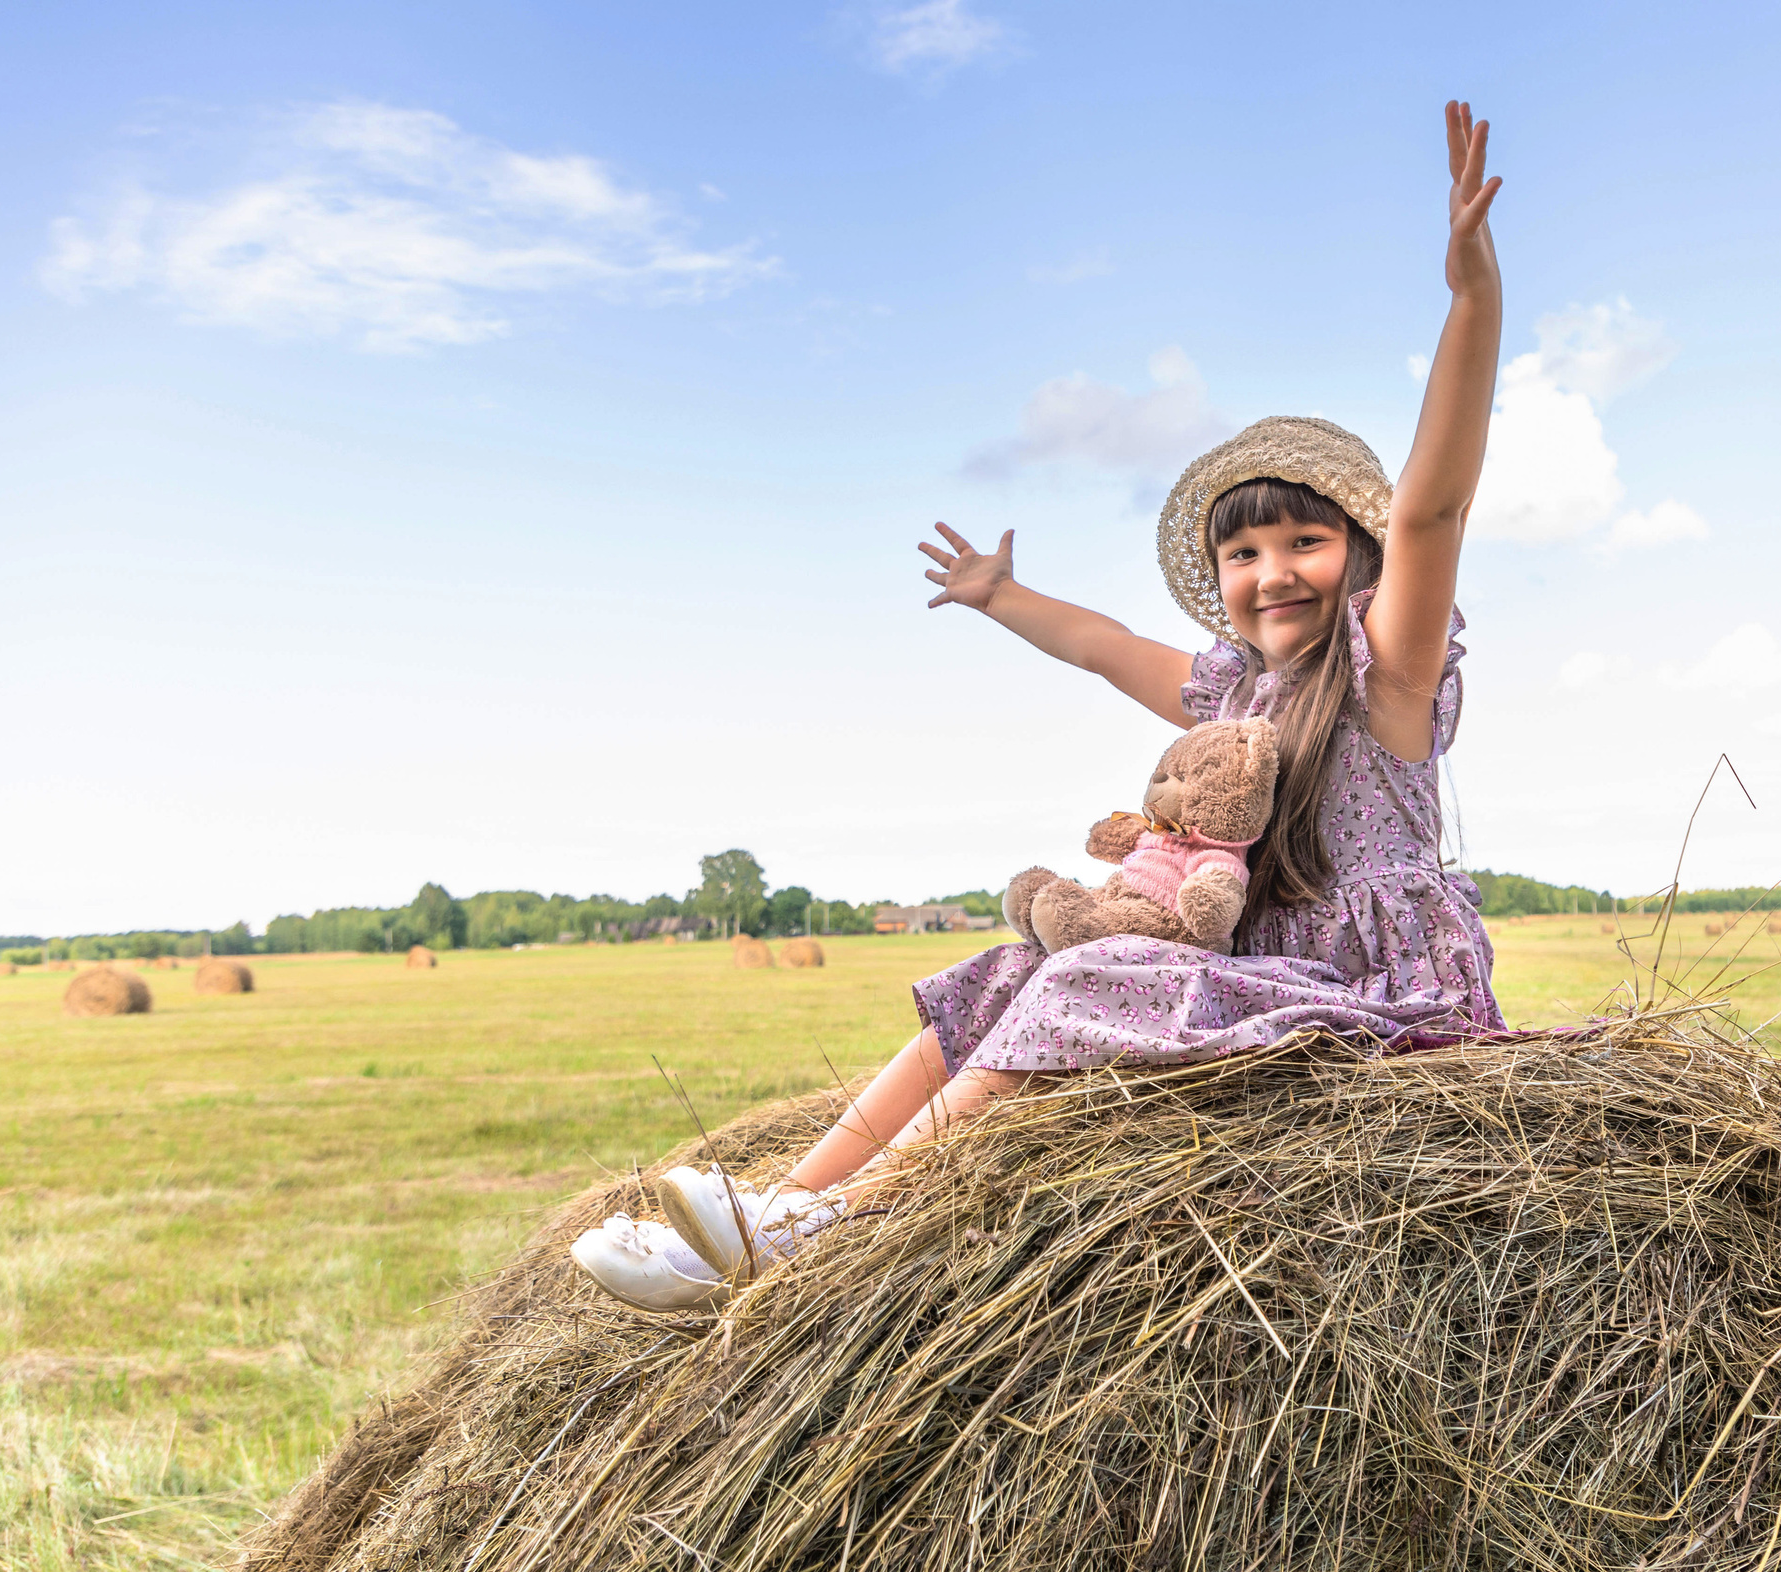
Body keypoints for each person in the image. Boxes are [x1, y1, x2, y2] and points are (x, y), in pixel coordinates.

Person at [576, 102, 1509, 1310]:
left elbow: (1435, 505)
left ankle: (844, 1234)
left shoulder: (1387, 673)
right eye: (1245, 554)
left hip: (1371, 997)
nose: (1273, 571)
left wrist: (1469, 301)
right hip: (1250, 972)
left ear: (1360, 557)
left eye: (1305, 541)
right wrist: (1002, 594)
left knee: (1080, 984)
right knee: (1008, 967)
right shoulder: (1234, 690)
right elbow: (1104, 648)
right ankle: (784, 1202)